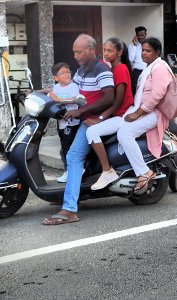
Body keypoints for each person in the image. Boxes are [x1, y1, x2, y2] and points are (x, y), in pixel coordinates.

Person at [43, 34, 115, 225]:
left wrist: (82, 111)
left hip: (91, 120)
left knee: (73, 156)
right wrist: (41, 93)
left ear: (91, 50)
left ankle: (69, 209)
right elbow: (66, 88)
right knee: (66, 150)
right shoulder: (81, 70)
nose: (75, 55)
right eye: (74, 52)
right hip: (80, 118)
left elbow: (109, 98)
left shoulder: (102, 69)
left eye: (79, 52)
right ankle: (72, 193)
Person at [118, 37, 174, 193]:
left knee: (124, 133)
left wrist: (138, 113)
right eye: (142, 50)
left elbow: (156, 95)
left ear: (157, 52)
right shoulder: (149, 67)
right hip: (146, 110)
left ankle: (144, 172)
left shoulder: (159, 68)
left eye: (148, 50)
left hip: (156, 113)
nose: (144, 53)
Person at [85, 37, 134, 190]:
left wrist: (99, 119)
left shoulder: (120, 69)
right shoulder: (112, 68)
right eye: (104, 50)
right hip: (116, 114)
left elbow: (117, 101)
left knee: (91, 131)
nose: (105, 53)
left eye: (109, 51)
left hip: (122, 115)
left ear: (119, 52)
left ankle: (107, 171)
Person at [47, 62, 80, 183]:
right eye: (63, 73)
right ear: (56, 78)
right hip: (61, 123)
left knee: (67, 148)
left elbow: (75, 99)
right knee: (64, 148)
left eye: (68, 72)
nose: (67, 74)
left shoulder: (73, 86)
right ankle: (69, 170)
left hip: (72, 123)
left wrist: (58, 99)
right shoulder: (56, 88)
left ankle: (70, 171)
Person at [128, 26, 147, 94]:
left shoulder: (149, 45)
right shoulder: (132, 46)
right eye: (139, 35)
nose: (141, 37)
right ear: (136, 36)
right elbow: (131, 58)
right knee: (137, 91)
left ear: (145, 35)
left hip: (147, 70)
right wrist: (135, 46)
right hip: (137, 72)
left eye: (142, 35)